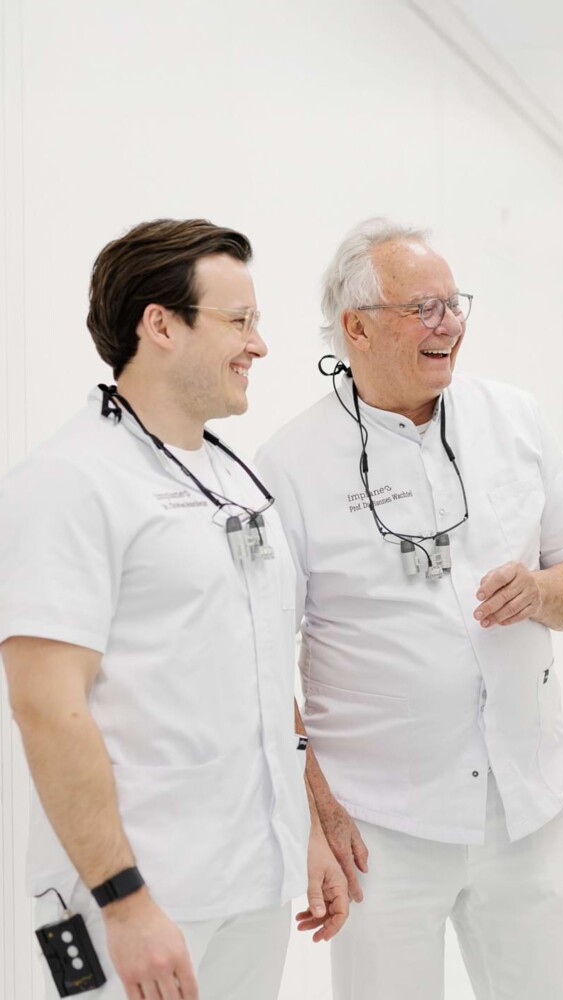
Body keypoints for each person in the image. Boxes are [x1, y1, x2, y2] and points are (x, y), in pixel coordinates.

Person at [256, 217, 563, 1000]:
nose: (448, 323)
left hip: (530, 808)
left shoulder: (513, 418)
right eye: (423, 307)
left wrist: (543, 592)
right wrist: (315, 811)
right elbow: (260, 660)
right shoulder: (290, 464)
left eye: (454, 303)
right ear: (356, 327)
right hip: (382, 827)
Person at [0, 219, 347, 1000]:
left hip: (249, 884)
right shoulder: (69, 482)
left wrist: (309, 829)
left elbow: (261, 670)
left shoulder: (232, 479)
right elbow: (45, 709)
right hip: (135, 905)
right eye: (239, 321)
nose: (259, 345)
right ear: (159, 324)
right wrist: (123, 902)